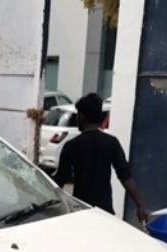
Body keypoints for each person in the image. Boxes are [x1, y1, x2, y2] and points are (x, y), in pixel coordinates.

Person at [53, 93, 149, 222]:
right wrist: (140, 205)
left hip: (81, 212)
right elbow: (125, 177)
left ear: (82, 117)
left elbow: (59, 180)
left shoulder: (71, 146)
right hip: (105, 213)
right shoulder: (112, 143)